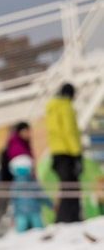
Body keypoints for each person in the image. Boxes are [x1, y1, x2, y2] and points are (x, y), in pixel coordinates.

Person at [46, 83, 83, 223]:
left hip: (56, 152)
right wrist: (77, 153)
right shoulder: (65, 107)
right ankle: (71, 218)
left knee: (65, 186)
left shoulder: (52, 108)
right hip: (68, 152)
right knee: (72, 187)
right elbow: (69, 132)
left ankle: (63, 217)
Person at [9, 155, 50, 232]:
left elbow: (13, 201)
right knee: (39, 230)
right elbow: (42, 195)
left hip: (20, 212)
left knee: (21, 232)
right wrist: (50, 205)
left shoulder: (15, 185)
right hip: (35, 211)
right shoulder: (33, 182)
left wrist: (12, 216)